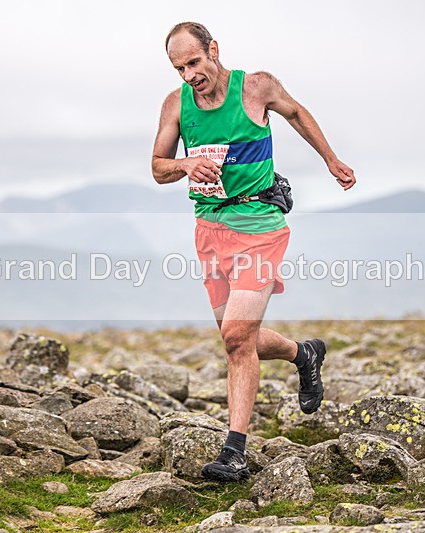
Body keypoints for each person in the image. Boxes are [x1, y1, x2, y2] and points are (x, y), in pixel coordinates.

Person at [151, 22, 356, 483]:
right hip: (209, 228)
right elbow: (158, 168)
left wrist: (330, 159)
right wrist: (184, 164)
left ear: (214, 51)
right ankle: (304, 354)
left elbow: (297, 114)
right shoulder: (176, 105)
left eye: (195, 63)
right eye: (179, 68)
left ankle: (235, 451)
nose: (189, 75)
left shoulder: (256, 87)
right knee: (236, 334)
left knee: (235, 338)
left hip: (260, 224)